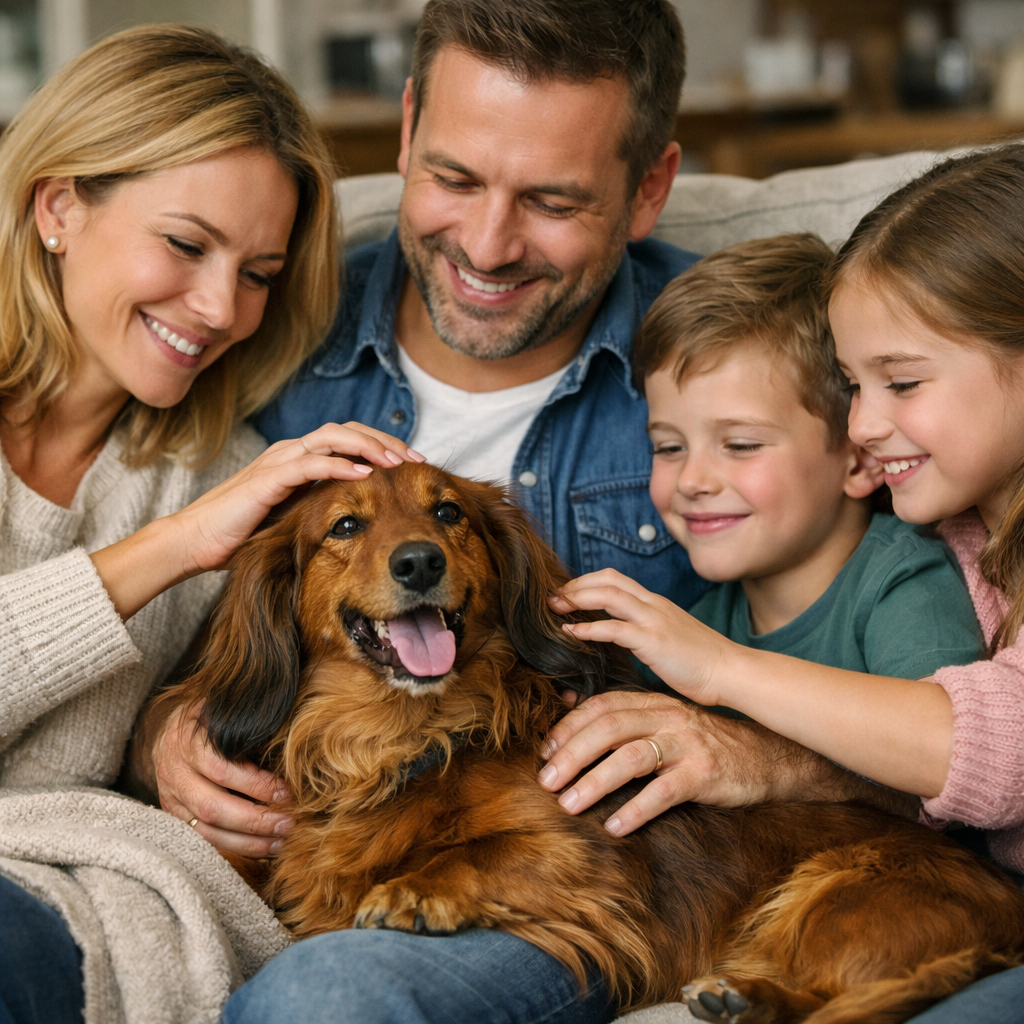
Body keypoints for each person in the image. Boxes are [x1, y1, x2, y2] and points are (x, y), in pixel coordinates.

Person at [0, 24, 422, 1024]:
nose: (219, 306)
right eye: (186, 245)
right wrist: (170, 550)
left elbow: (202, 700)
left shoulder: (228, 479)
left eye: (258, 272)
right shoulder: (204, 519)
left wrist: (169, 740)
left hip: (54, 890)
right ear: (59, 205)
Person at [547, 146, 1024, 1023]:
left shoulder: (905, 569)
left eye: (902, 382)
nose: (868, 423)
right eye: (851, 385)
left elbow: (986, 754)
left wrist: (719, 670)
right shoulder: (967, 533)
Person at [629, 232, 983, 694]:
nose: (692, 481)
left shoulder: (905, 585)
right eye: (669, 448)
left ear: (859, 461)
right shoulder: (697, 626)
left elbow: (941, 750)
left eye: (739, 445)